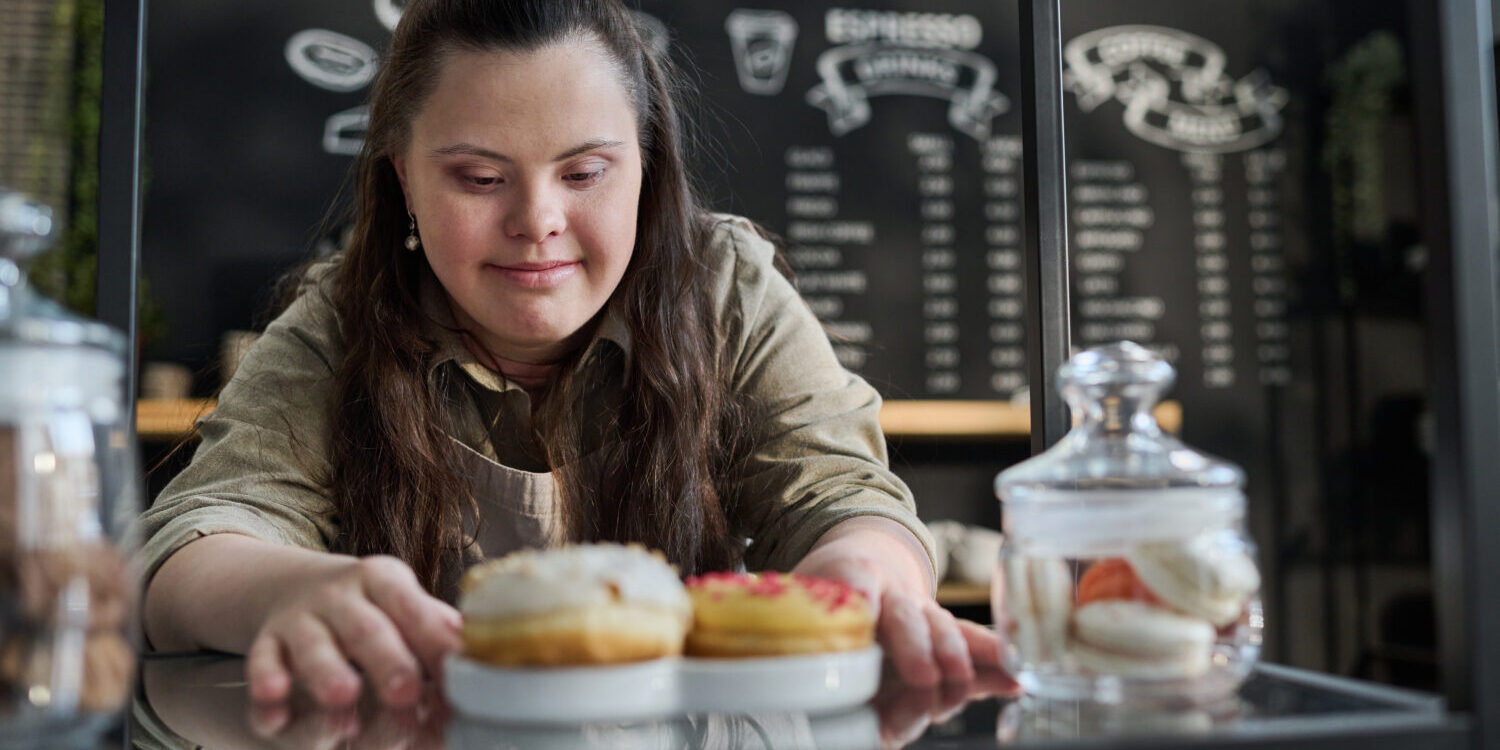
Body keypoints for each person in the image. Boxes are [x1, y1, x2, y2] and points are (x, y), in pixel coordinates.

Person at [137, 0, 1000, 708]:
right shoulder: (342, 320)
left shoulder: (723, 284)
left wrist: (864, 569)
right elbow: (196, 541)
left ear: (646, 170)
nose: (536, 220)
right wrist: (286, 592)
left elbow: (839, 489)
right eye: (479, 178)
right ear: (403, 177)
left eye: (584, 173)